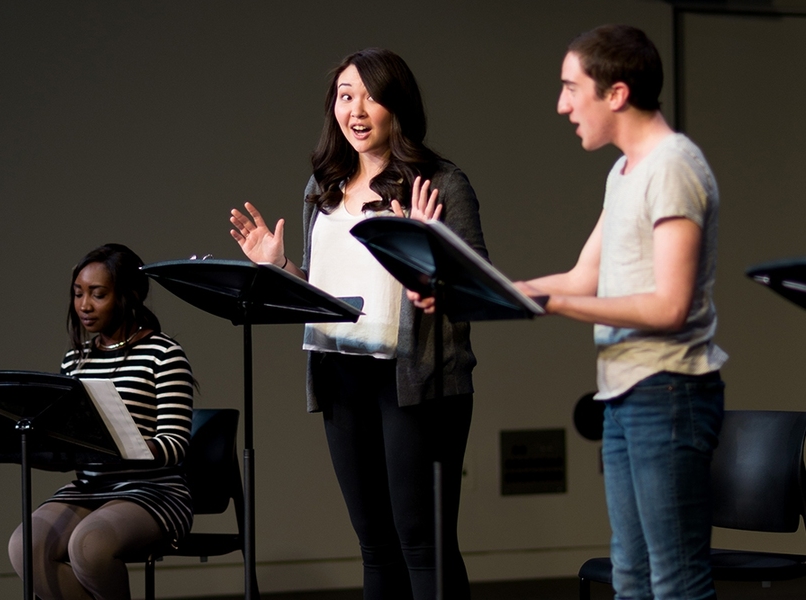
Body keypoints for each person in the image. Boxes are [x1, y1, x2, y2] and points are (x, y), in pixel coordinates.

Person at [229, 48, 486, 599]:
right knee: (374, 545)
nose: (357, 109)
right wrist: (280, 269)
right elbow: (324, 294)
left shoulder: (440, 182)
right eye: (347, 96)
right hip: (342, 374)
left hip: (415, 379)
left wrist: (423, 246)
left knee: (423, 542)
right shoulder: (321, 187)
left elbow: (470, 291)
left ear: (399, 106)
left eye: (372, 96)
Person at [517, 25, 728, 600]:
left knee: (676, 581)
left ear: (616, 93)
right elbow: (585, 275)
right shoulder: (624, 172)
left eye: (570, 88)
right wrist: (485, 288)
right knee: (631, 577)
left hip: (669, 391)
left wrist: (551, 303)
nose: (562, 105)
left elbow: (669, 305)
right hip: (624, 393)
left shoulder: (672, 166)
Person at [7, 243, 195, 600]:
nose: (84, 306)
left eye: (98, 294)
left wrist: (121, 445)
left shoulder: (163, 353)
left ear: (130, 295)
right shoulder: (74, 361)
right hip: (91, 489)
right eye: (78, 294)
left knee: (89, 545)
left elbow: (174, 444)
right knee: (24, 547)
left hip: (152, 492)